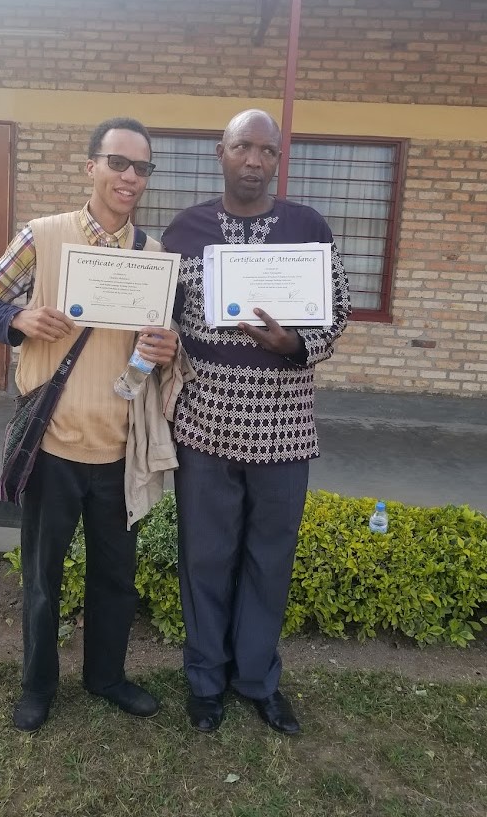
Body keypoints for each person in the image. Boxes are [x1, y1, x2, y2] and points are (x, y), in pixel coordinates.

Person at [0, 117, 179, 733]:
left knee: (116, 578)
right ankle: (38, 686)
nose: (130, 178)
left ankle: (106, 677)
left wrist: (166, 350)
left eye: (141, 168)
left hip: (118, 450)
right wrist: (20, 319)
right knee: (43, 579)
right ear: (91, 166)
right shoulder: (43, 235)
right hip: (53, 446)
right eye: (118, 163)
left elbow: (159, 347)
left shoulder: (154, 257)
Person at [162, 109, 351, 735]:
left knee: (270, 558)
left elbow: (338, 312)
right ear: (221, 152)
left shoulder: (308, 228)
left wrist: (294, 344)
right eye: (242, 147)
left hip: (284, 425)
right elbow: (161, 315)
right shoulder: (184, 232)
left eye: (265, 151)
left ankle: (256, 680)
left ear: (277, 159)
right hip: (206, 422)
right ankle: (206, 683)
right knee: (206, 557)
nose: (253, 161)